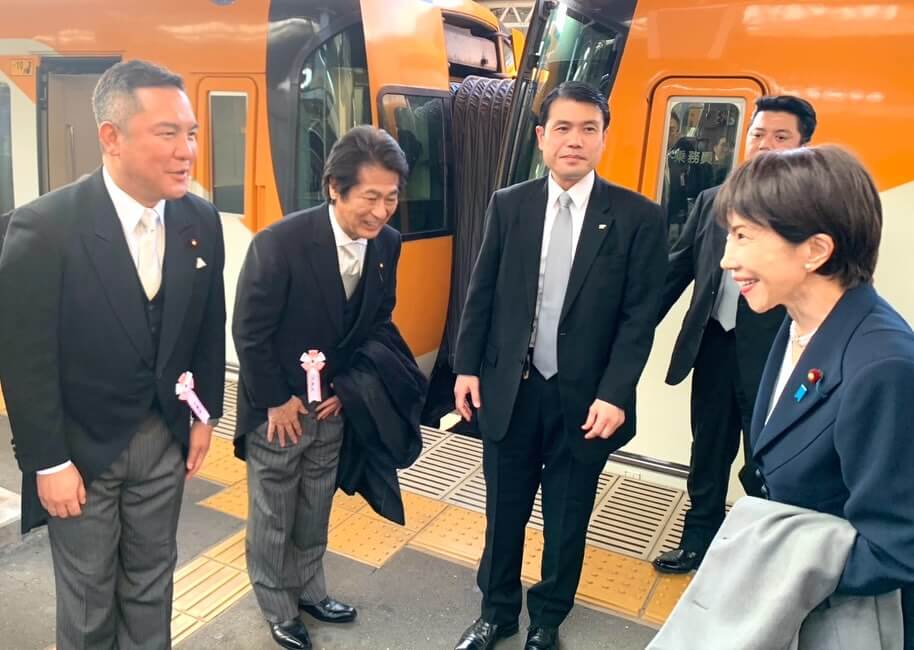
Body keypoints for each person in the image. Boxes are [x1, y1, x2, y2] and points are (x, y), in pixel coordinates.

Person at [0, 60, 226, 649]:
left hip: (164, 437)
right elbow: (24, 358)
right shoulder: (45, 227)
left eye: (191, 133)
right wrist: (47, 462)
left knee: (153, 582)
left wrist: (203, 415)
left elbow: (208, 327)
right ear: (112, 137)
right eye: (167, 133)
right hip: (80, 449)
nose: (186, 151)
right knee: (87, 600)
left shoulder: (200, 219)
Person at [452, 81, 667, 650]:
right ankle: (496, 614)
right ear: (541, 137)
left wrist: (615, 393)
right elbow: (481, 291)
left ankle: (546, 621)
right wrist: (466, 367)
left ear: (603, 139)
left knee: (568, 519)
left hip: (586, 401)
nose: (575, 140)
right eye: (563, 128)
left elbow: (638, 319)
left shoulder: (638, 217)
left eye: (589, 129)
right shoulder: (510, 204)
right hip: (512, 389)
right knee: (503, 513)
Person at [718, 145, 914, 647]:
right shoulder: (800, 326)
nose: (727, 258)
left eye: (743, 235)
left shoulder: (883, 366)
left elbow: (896, 546)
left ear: (815, 250)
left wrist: (783, 569)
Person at [232, 125, 412, 650]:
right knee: (273, 511)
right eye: (370, 197)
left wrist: (349, 389)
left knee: (315, 505)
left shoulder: (388, 245)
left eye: (391, 198)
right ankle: (277, 605)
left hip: (332, 407)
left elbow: (378, 322)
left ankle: (310, 590)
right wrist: (275, 400)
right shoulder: (280, 243)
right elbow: (250, 330)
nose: (381, 212)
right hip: (279, 409)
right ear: (335, 187)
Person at [653, 95, 817, 574]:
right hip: (714, 345)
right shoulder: (713, 201)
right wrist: (629, 328)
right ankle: (698, 539)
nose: (765, 144)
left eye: (781, 137)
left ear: (803, 146)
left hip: (774, 356)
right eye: (758, 134)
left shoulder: (811, 214)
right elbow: (677, 271)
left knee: (766, 456)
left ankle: (762, 555)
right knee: (707, 450)